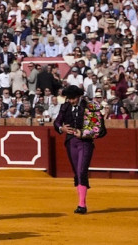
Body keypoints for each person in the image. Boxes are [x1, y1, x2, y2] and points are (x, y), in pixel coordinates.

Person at [54, 85, 107, 214]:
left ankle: (82, 205)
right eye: (69, 98)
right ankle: (81, 203)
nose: (71, 101)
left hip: (85, 143)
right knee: (77, 172)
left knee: (81, 170)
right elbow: (56, 122)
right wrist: (62, 129)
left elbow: (101, 130)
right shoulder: (65, 107)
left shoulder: (90, 107)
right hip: (70, 142)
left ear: (79, 96)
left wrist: (83, 133)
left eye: (73, 98)